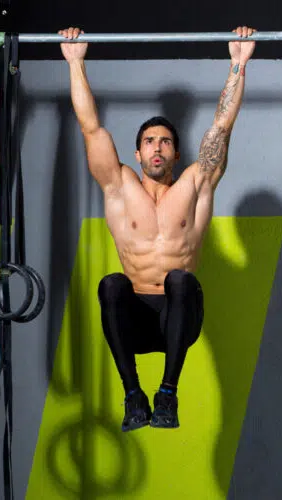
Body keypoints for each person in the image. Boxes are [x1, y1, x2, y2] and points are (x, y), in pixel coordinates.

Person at [59, 25, 256, 431]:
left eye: (165, 141)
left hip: (178, 321)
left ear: (176, 152)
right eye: (149, 141)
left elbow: (221, 128)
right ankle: (133, 395)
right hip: (132, 320)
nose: (157, 147)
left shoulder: (196, 183)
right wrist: (76, 63)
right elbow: (91, 128)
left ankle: (168, 393)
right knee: (112, 284)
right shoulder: (119, 185)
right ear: (137, 152)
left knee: (181, 280)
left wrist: (237, 64)